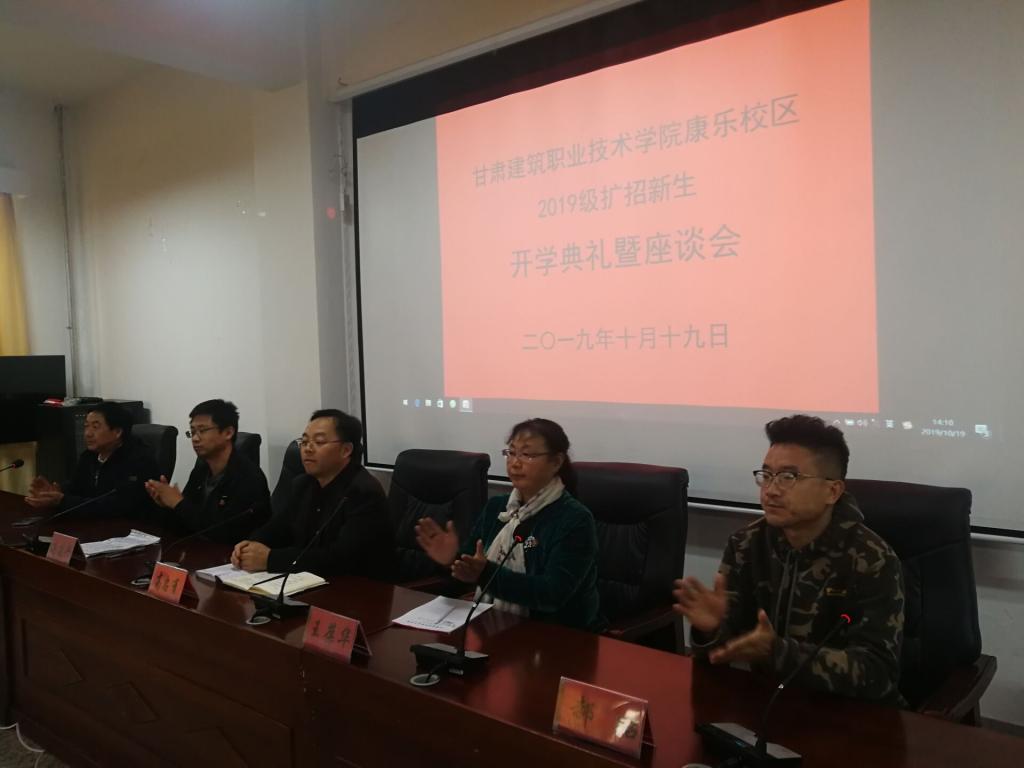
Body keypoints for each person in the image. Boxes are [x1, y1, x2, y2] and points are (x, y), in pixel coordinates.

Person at [673, 414, 904, 703]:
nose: (770, 490)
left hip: (851, 716)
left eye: (788, 477)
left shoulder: (872, 558)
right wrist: (710, 630)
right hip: (766, 703)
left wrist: (778, 652)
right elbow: (725, 652)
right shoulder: (746, 543)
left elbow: (878, 673)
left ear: (832, 491)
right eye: (767, 475)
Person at [416, 418, 604, 632]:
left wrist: (485, 574)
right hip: (493, 625)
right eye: (511, 453)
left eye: (527, 455)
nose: (515, 463)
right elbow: (470, 571)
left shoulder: (574, 519)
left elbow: (552, 595)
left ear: (556, 462)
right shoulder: (497, 508)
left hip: (560, 635)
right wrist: (451, 559)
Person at [230, 409, 393, 579]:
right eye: (305, 441)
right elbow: (278, 528)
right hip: (309, 583)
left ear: (346, 450)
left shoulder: (364, 493)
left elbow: (341, 559)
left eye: (319, 441)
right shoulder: (303, 484)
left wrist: (271, 559)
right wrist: (250, 545)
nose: (307, 449)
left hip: (358, 589)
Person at [145, 399, 270, 544]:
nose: (195, 438)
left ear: (228, 432)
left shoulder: (249, 477)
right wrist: (167, 506)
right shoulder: (202, 470)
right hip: (200, 551)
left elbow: (225, 534)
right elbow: (186, 525)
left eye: (202, 431)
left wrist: (178, 502)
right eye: (192, 432)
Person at [26, 401, 159, 518]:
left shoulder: (139, 460)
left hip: (132, 529)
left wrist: (63, 501)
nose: (87, 433)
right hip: (95, 525)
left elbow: (117, 505)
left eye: (95, 427)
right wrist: (56, 492)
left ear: (117, 432)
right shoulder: (89, 457)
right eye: (86, 426)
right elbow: (77, 487)